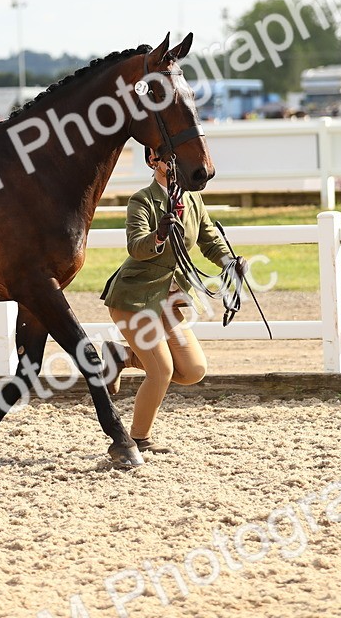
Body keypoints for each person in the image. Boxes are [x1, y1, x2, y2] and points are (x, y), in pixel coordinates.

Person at [98, 146, 247, 453]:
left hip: (167, 301)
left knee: (192, 371)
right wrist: (158, 236)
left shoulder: (192, 198)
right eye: (170, 156)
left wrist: (229, 262)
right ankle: (137, 439)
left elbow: (209, 239)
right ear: (154, 161)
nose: (178, 162)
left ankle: (123, 356)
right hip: (135, 299)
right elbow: (136, 247)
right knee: (162, 372)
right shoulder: (142, 200)